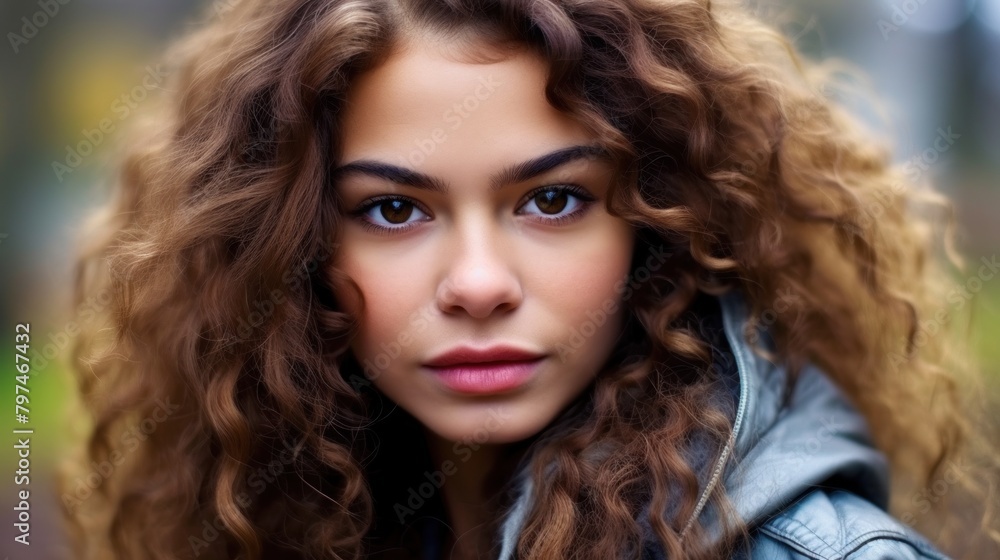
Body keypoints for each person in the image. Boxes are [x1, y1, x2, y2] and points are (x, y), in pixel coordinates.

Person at [61, 0, 1000, 559]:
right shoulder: (309, 515)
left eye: (552, 200)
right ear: (296, 248)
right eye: (395, 210)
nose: (477, 283)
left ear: (660, 223)